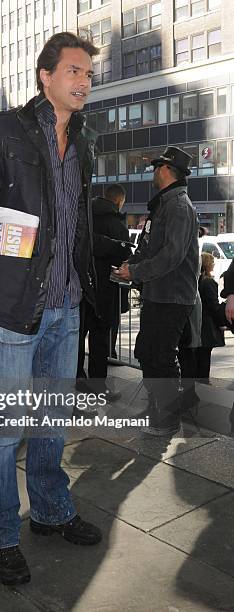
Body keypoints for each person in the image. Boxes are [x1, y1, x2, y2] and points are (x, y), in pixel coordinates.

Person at [0, 32, 102, 586]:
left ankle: (53, 511)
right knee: (6, 433)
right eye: (75, 72)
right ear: (46, 76)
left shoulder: (83, 143)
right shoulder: (1, 131)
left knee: (53, 422)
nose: (84, 82)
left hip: (66, 308)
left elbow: (73, 227)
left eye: (88, 74)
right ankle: (1, 535)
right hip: (12, 310)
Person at [113, 146, 199, 436]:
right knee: (147, 352)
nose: (152, 171)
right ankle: (155, 410)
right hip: (158, 293)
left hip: (172, 296)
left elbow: (172, 255)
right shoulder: (163, 205)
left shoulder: (179, 206)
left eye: (155, 167)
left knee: (161, 356)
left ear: (166, 170)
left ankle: (167, 419)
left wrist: (135, 271)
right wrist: (130, 264)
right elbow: (150, 248)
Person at [77, 185, 131, 400]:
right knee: (100, 342)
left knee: (78, 339)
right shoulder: (116, 223)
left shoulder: (85, 215)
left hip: (82, 289)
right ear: (119, 201)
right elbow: (122, 258)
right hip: (106, 292)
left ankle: (77, 382)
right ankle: (98, 387)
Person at [195, 253, 225, 384]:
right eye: (212, 262)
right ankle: (203, 381)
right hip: (207, 324)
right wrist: (222, 321)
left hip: (197, 321)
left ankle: (197, 379)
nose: (214, 264)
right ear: (207, 264)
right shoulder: (209, 282)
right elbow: (213, 305)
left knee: (197, 354)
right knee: (205, 355)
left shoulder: (197, 280)